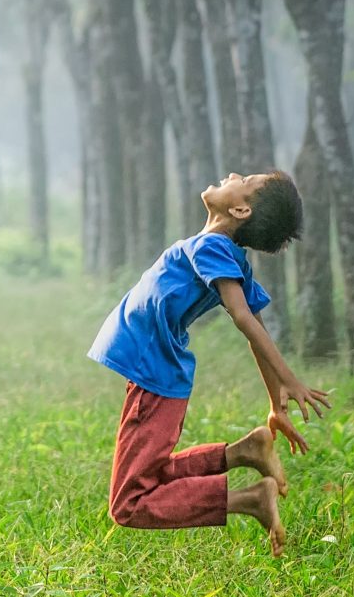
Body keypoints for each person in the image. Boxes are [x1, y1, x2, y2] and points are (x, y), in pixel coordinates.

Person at [88, 171, 331, 556]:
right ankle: (244, 452)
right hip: (154, 374)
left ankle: (250, 500)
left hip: (154, 376)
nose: (233, 174)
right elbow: (256, 324)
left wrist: (289, 380)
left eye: (245, 179)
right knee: (150, 476)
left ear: (240, 208)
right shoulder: (221, 251)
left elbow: (244, 317)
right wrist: (274, 403)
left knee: (129, 503)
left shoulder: (214, 247)